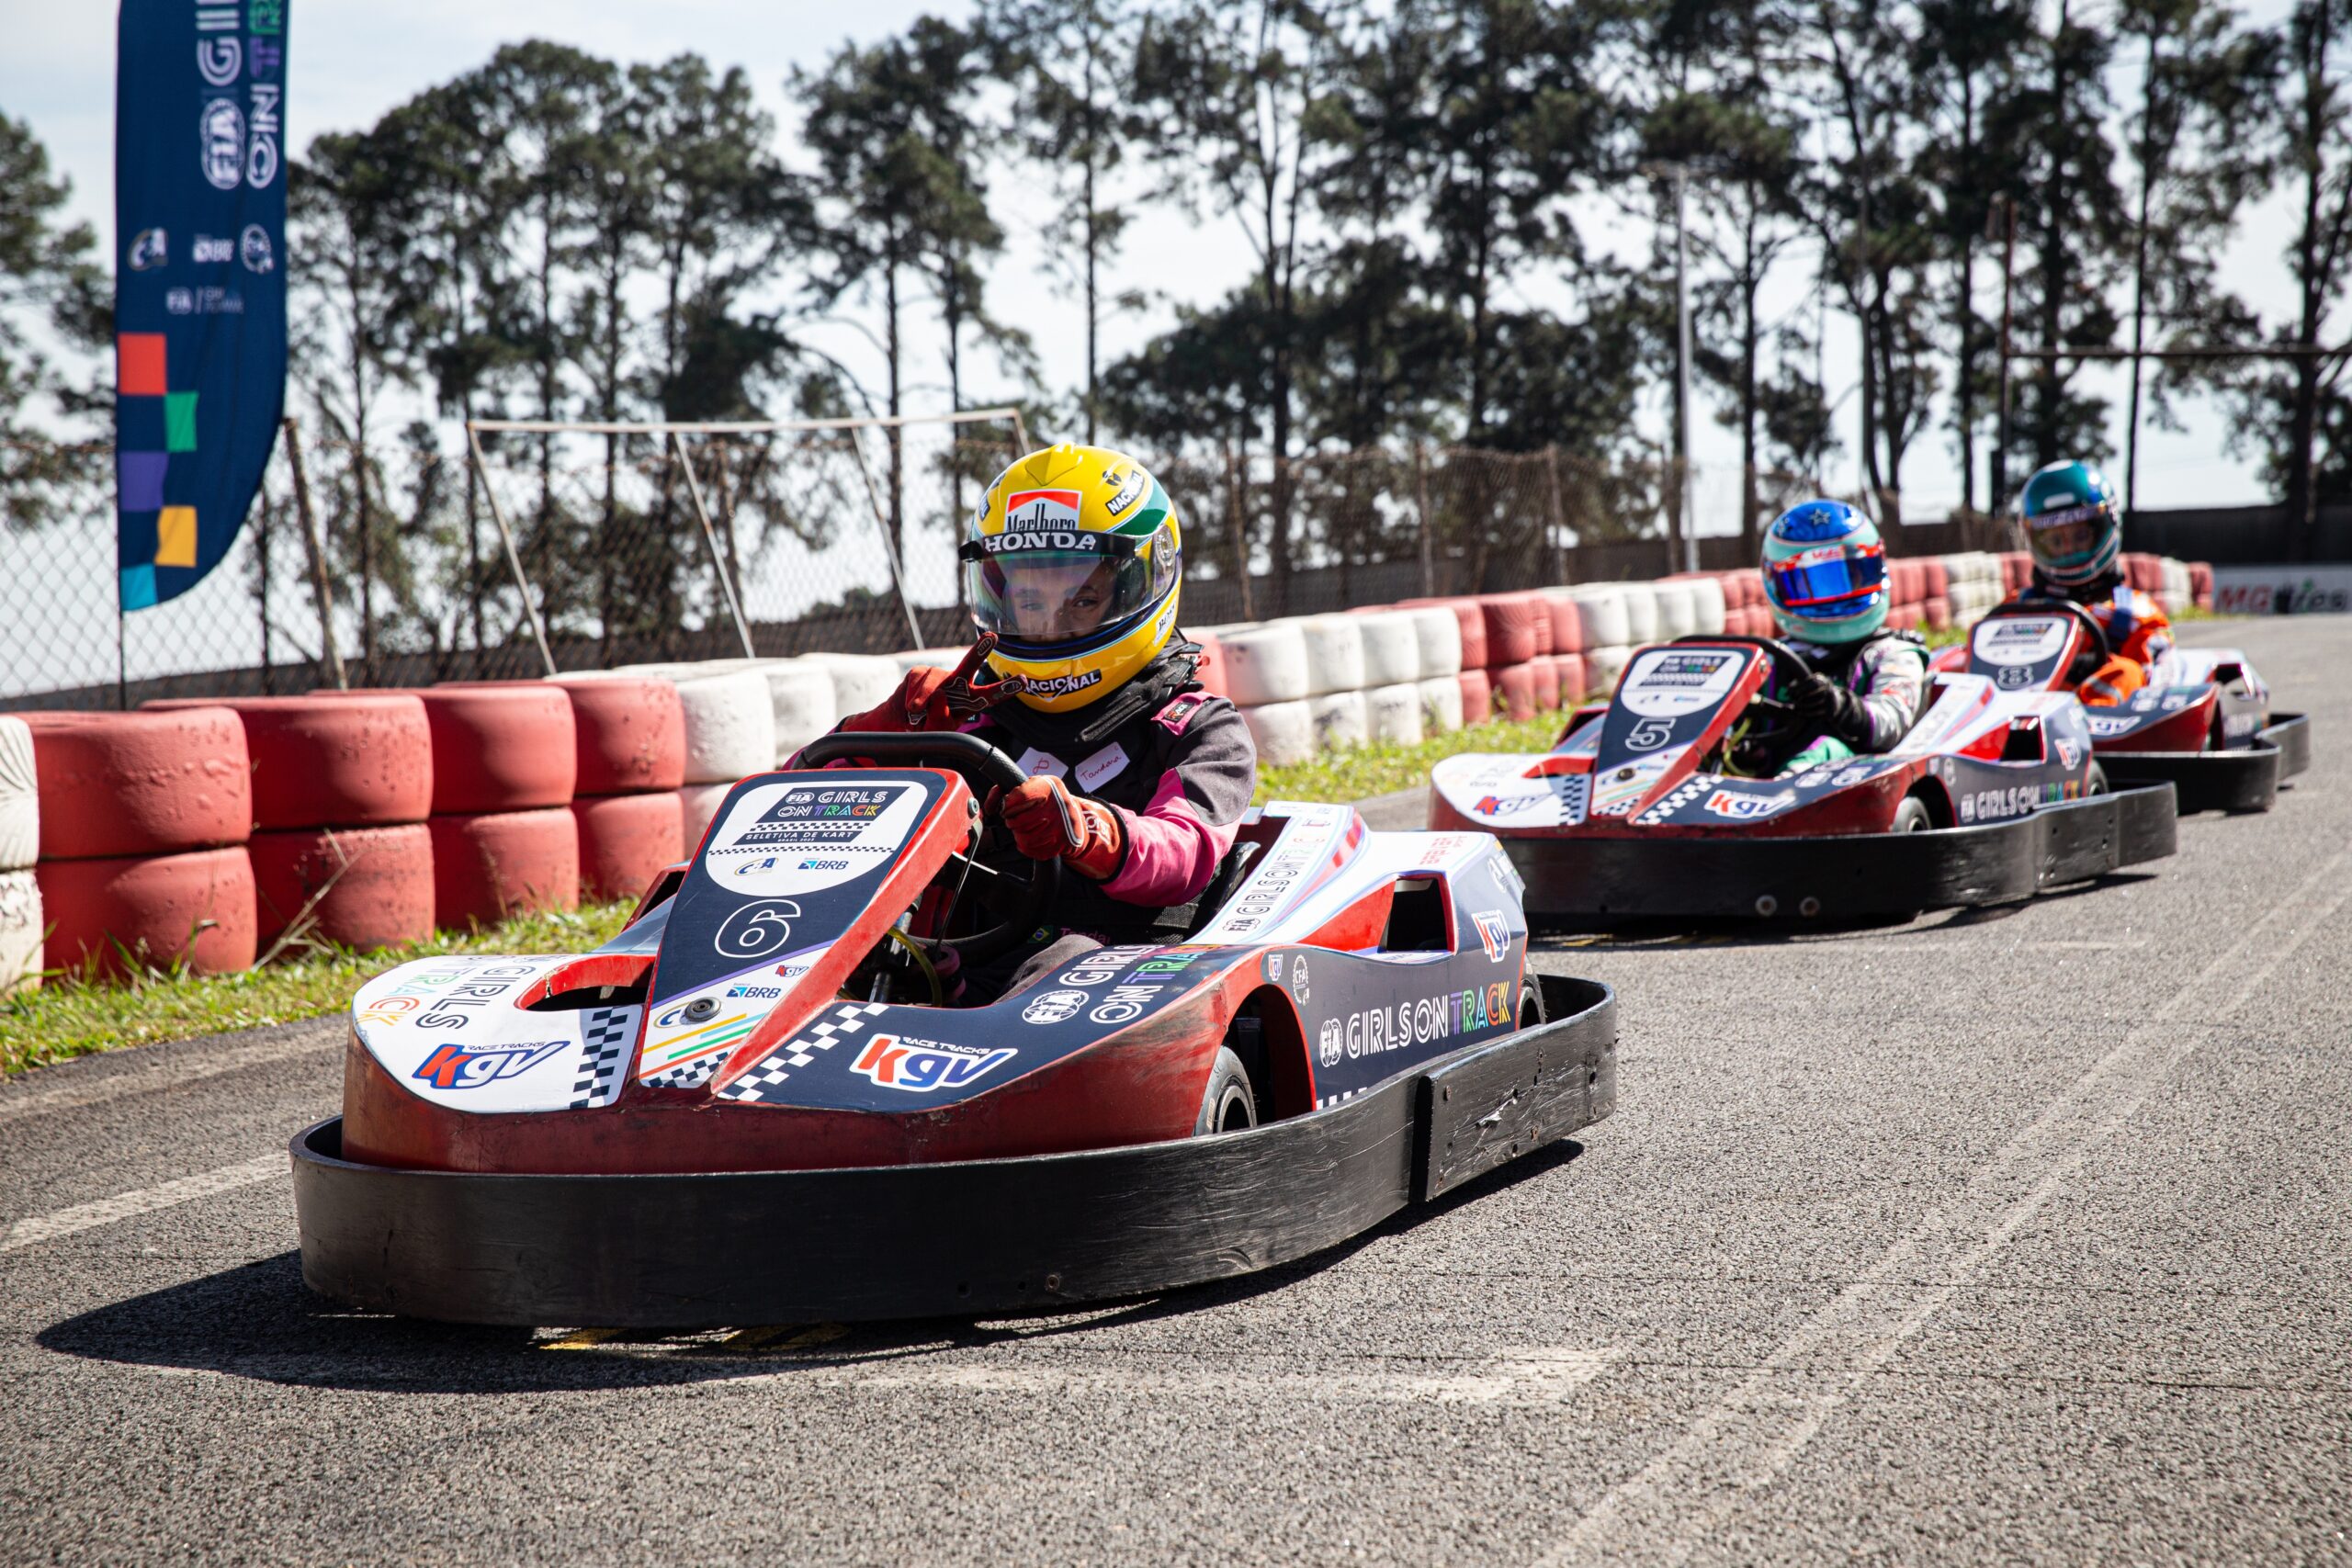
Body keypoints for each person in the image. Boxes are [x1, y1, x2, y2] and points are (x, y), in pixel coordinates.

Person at [828, 443, 1257, 1002]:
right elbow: (798, 806)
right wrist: (886, 729)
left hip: (1124, 986)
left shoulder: (1198, 727)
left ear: (1139, 585)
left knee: (1066, 962)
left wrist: (1087, 831)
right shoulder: (973, 722)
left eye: (1081, 600)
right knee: (864, 964)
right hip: (970, 976)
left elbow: (1184, 851)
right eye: (1030, 602)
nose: (1051, 626)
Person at [1748, 499, 1929, 777]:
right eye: (1811, 584)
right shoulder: (1767, 659)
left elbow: (1889, 723)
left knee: (1826, 749)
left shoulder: (1893, 653)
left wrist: (1838, 704)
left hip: (1855, 779)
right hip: (1755, 790)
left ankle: (1784, 790)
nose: (1832, 600)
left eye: (1849, 577)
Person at [2014, 459, 2173, 705]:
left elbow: (2154, 686)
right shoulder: (2017, 607)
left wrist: (2091, 664)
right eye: (2055, 541)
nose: (2068, 549)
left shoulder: (2135, 614)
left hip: (2097, 726)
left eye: (2080, 536)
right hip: (2015, 711)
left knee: (2127, 673)